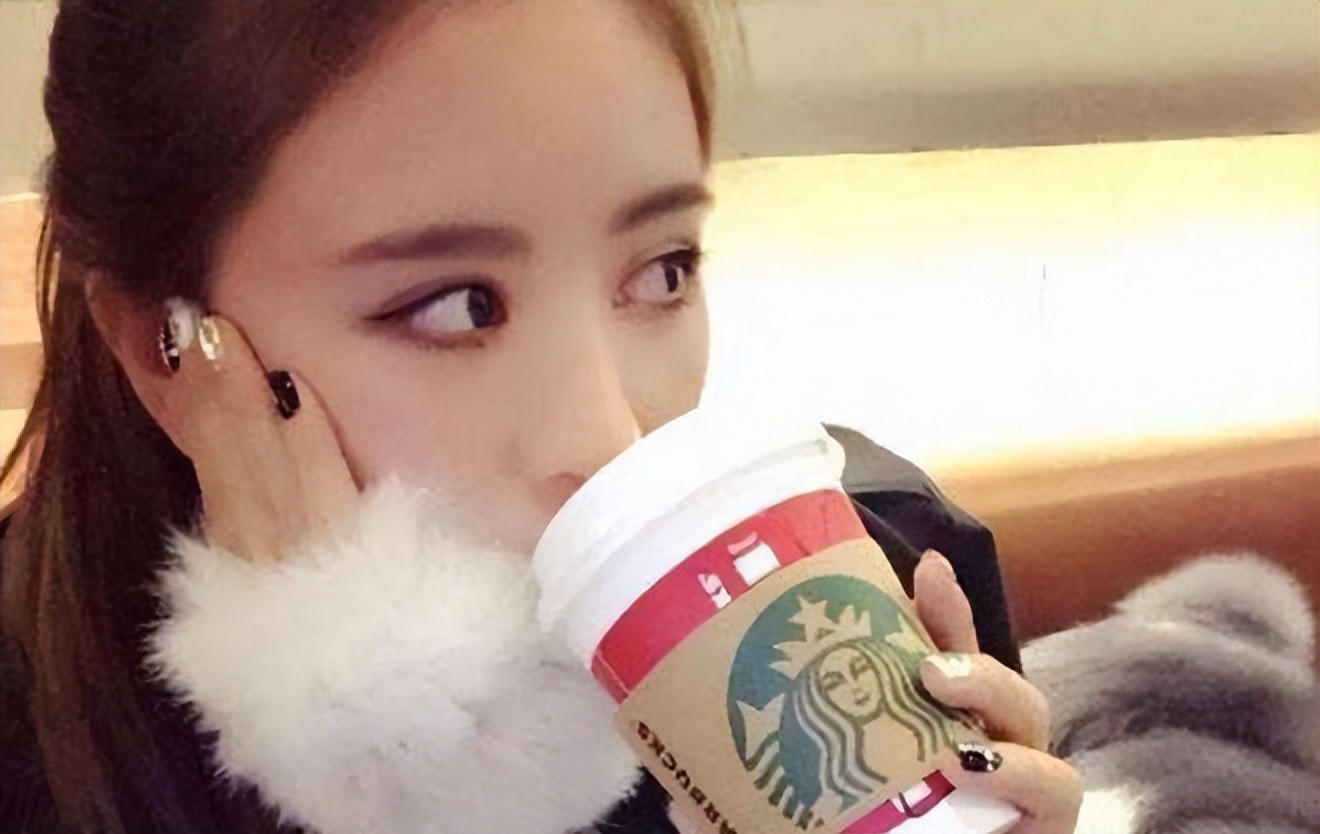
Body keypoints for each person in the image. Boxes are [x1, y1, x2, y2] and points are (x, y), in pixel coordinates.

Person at [0, 1, 1082, 832]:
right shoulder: (32, 748)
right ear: (167, 350)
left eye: (663, 271)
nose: (608, 437)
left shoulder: (885, 577)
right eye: (457, 306)